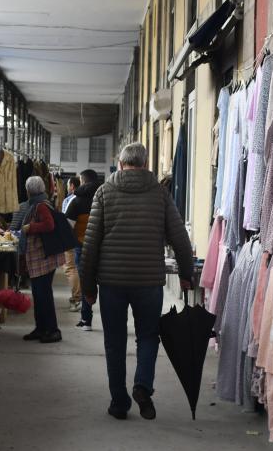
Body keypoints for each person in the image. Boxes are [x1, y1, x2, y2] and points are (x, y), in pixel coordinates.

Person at [81, 143, 194, 421]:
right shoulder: (160, 194)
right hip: (148, 282)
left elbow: (91, 244)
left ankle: (119, 403)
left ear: (120, 164)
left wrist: (87, 287)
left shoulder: (104, 192)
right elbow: (180, 237)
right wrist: (187, 275)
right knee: (147, 336)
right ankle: (142, 385)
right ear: (145, 164)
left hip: (111, 282)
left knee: (115, 342)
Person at [19, 176, 65, 343]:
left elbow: (49, 225)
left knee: (43, 295)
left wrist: (30, 227)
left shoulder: (40, 206)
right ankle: (41, 328)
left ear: (29, 191)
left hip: (43, 259)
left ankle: (53, 330)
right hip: (41, 258)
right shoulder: (39, 204)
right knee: (39, 295)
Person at [65, 169, 100, 330]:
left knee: (86, 280)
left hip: (81, 246)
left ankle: (86, 319)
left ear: (82, 180)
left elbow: (68, 226)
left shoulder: (76, 201)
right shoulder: (104, 197)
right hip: (101, 246)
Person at [61, 177, 82, 312]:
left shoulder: (70, 200)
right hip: (82, 239)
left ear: (72, 186)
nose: (67, 187)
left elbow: (66, 222)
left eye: (68, 185)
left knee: (70, 268)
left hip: (71, 239)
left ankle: (76, 298)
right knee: (77, 268)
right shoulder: (87, 198)